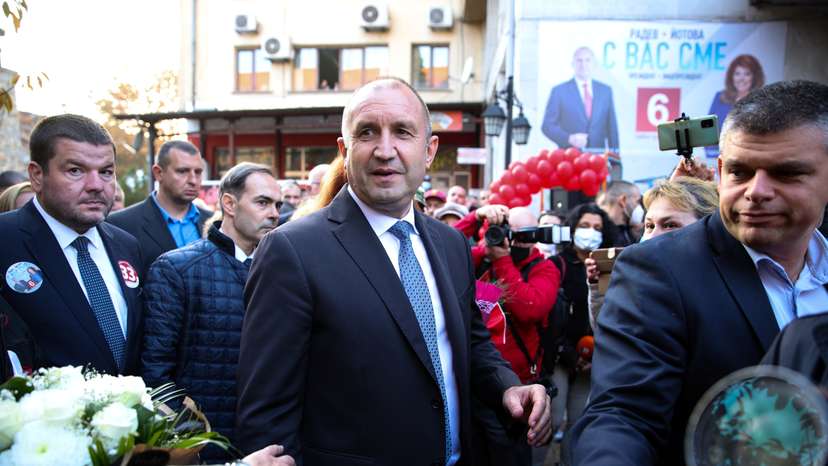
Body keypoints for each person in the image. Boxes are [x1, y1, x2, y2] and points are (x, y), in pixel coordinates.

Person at [236, 77, 552, 465]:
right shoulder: (292, 251)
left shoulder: (451, 245)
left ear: (429, 149)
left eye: (402, 132)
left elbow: (470, 344)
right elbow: (268, 414)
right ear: (345, 149)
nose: (385, 151)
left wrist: (507, 386)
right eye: (367, 133)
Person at [566, 80, 828, 465]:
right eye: (739, 172)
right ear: (720, 171)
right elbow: (624, 414)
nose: (756, 191)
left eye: (786, 174)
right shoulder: (657, 270)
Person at [142, 162, 281, 462]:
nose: (274, 213)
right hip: (204, 446)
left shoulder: (286, 271)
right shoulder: (176, 269)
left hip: (273, 446)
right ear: (229, 203)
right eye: (262, 202)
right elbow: (155, 373)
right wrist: (197, 444)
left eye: (278, 204)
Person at [0, 114, 144, 375]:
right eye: (75, 170)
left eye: (106, 172)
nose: (96, 186)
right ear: (36, 175)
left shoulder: (127, 246)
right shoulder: (5, 240)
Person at [464, 205, 561, 466]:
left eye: (524, 235)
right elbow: (441, 251)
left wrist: (502, 260)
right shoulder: (480, 259)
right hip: (475, 381)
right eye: (510, 234)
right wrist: (476, 217)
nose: (515, 242)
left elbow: (529, 309)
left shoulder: (545, 268)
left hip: (518, 387)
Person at [585, 177, 719, 329]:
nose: (651, 237)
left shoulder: (727, 288)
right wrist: (598, 290)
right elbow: (609, 332)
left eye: (670, 225)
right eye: (649, 225)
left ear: (708, 228)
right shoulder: (640, 279)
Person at [550, 203, 615, 444]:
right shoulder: (558, 264)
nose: (591, 232)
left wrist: (594, 355)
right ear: (572, 229)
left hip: (593, 359)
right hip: (560, 356)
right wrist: (567, 353)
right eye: (585, 226)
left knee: (580, 425)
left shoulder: (609, 267)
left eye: (597, 227)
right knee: (552, 419)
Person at [108, 140, 212, 274]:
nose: (193, 180)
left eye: (198, 172)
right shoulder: (121, 224)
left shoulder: (214, 223)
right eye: (182, 171)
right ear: (158, 173)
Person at [541, 47, 619, 153]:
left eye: (587, 60)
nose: (583, 64)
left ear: (594, 64)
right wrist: (569, 138)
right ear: (572, 64)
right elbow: (547, 126)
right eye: (579, 60)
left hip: (597, 161)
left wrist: (616, 162)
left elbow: (612, 130)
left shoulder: (605, 91)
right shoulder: (559, 91)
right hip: (569, 161)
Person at [706, 54, 765, 158]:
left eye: (747, 74)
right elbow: (708, 130)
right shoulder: (720, 97)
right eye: (737, 74)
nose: (741, 78)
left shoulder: (762, 100)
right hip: (718, 158)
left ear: (754, 77)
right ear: (731, 76)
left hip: (749, 158)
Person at [596, 180, 642, 246]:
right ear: (623, 200)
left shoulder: (627, 232)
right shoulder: (599, 234)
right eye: (637, 201)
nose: (638, 206)